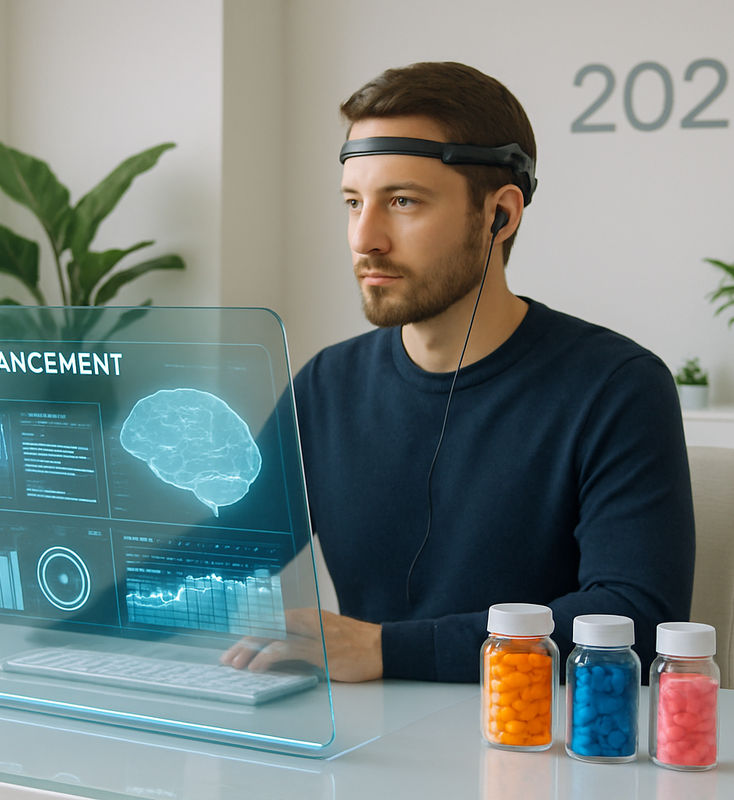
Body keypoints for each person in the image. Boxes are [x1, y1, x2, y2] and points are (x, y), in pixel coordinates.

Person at [222, 61, 694, 683]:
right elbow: (223, 552)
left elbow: (637, 620)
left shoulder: (617, 387)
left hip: (539, 749)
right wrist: (66, 581)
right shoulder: (326, 386)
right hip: (366, 750)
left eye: (402, 201)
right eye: (353, 202)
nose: (365, 238)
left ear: (501, 214)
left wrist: (388, 650)